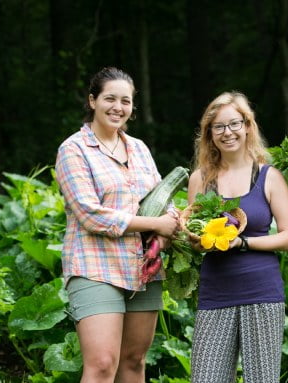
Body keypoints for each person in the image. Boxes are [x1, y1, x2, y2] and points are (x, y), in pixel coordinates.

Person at [55, 67, 179, 383]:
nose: (118, 107)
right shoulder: (73, 150)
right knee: (101, 364)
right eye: (110, 98)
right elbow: (91, 215)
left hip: (143, 268)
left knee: (134, 361)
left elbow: (162, 198)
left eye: (125, 101)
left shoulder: (138, 148)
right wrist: (156, 223)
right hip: (95, 266)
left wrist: (169, 228)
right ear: (92, 100)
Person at [187, 91, 288, 382]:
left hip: (261, 292)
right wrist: (192, 239)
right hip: (216, 293)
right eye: (219, 127)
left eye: (234, 124)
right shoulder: (200, 179)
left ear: (248, 126)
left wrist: (243, 242)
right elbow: (193, 231)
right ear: (209, 134)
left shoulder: (268, 176)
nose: (228, 133)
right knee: (206, 378)